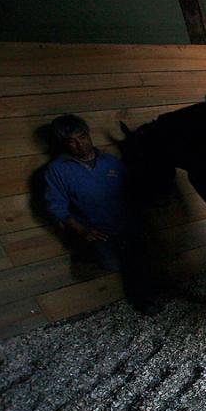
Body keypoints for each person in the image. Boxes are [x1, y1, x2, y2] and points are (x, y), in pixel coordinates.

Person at [45, 114, 160, 315]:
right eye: (71, 141)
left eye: (82, 137)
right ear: (64, 144)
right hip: (98, 230)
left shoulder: (110, 162)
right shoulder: (57, 170)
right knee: (113, 263)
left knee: (139, 261)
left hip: (127, 224)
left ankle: (145, 299)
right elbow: (55, 205)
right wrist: (81, 230)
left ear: (88, 135)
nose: (79, 145)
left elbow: (130, 189)